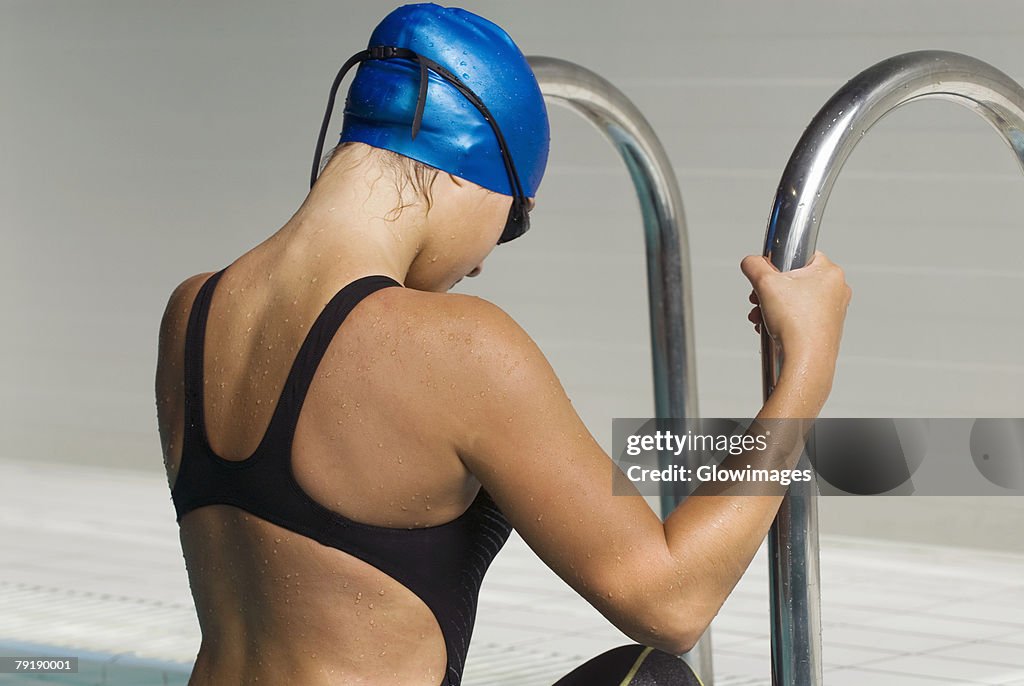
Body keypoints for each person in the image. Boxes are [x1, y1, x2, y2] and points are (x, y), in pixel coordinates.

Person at [154, 4, 852, 685]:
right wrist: (807, 372)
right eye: (513, 219)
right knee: (654, 678)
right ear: (463, 169)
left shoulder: (192, 311)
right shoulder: (457, 348)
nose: (486, 258)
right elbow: (671, 602)